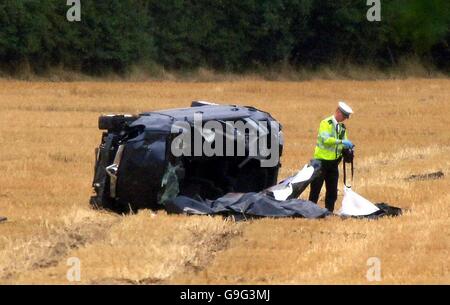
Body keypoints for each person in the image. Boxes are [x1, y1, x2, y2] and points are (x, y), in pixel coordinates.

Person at [309, 101, 355, 212]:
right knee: (315, 189)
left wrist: (347, 150)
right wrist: (341, 142)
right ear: (338, 112)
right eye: (344, 116)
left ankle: (329, 212)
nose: (345, 119)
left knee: (332, 191)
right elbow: (326, 140)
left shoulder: (342, 127)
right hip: (321, 162)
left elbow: (343, 143)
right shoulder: (326, 123)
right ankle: (310, 211)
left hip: (333, 163)